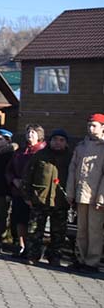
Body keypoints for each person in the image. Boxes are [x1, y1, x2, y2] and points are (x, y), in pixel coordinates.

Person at [26, 129, 72, 266]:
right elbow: (28, 175)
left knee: (58, 233)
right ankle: (33, 255)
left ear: (66, 143)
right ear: (50, 141)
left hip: (60, 201)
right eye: (55, 139)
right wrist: (27, 195)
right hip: (40, 198)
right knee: (35, 230)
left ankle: (54, 256)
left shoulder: (70, 157)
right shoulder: (40, 155)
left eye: (61, 140)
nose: (57, 143)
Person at [67, 113, 104, 272]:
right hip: (81, 194)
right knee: (81, 229)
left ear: (103, 127)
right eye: (89, 125)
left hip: (96, 196)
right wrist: (70, 193)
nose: (91, 128)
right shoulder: (81, 146)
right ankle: (81, 258)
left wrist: (102, 197)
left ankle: (92, 262)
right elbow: (73, 170)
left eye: (94, 125)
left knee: (95, 230)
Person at [7, 125, 44, 257]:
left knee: (33, 222)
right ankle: (21, 246)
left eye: (33, 132)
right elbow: (9, 169)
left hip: (34, 193)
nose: (30, 135)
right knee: (19, 219)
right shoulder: (20, 151)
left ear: (39, 135)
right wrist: (14, 180)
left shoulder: (42, 151)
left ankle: (33, 249)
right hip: (18, 191)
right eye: (28, 132)